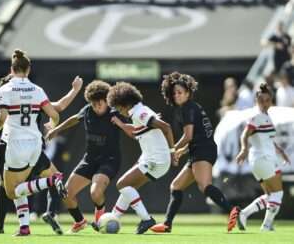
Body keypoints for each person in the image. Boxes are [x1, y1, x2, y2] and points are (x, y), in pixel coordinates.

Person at [0, 75, 83, 234]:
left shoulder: (3, 104)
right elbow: (59, 107)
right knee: (52, 177)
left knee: (9, 189)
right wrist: (75, 90)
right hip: (34, 147)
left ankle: (0, 226)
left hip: (10, 148)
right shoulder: (34, 97)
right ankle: (56, 216)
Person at [150, 72, 239, 233]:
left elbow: (188, 135)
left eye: (180, 92)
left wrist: (172, 149)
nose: (177, 95)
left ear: (188, 93)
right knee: (176, 186)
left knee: (204, 186)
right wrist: (181, 151)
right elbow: (195, 137)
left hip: (203, 150)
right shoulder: (191, 107)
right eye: (174, 92)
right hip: (199, 149)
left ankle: (231, 209)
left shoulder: (187, 108)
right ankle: (167, 224)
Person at [0, 49, 60, 236]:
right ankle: (24, 227)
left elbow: (3, 115)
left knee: (11, 191)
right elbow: (54, 114)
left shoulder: (5, 89)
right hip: (35, 144)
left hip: (15, 144)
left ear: (12, 70)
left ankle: (52, 180)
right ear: (28, 70)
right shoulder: (38, 90)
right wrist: (51, 125)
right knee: (21, 186)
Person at [45, 80, 124, 233]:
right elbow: (74, 119)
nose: (97, 107)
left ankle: (99, 220)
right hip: (90, 159)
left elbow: (133, 121)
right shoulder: (87, 110)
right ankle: (80, 222)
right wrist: (56, 130)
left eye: (100, 103)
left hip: (110, 160)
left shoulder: (115, 113)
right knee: (66, 194)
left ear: (107, 101)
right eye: (94, 104)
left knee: (95, 193)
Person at [106, 82, 176, 234]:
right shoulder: (137, 113)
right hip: (155, 160)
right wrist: (120, 123)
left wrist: (173, 151)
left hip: (155, 160)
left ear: (124, 105)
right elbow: (135, 132)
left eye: (118, 108)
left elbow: (166, 127)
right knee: (128, 188)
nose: (119, 112)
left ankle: (146, 219)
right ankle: (113, 218)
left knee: (121, 184)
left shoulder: (140, 113)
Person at [236, 83, 290, 231]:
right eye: (261, 100)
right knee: (278, 194)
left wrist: (281, 151)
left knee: (270, 195)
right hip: (264, 159)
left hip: (259, 160)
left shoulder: (266, 117)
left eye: (267, 100)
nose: (264, 103)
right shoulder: (257, 116)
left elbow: (267, 139)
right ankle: (266, 226)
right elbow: (245, 134)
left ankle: (244, 214)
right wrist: (243, 149)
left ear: (271, 100)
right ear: (256, 101)